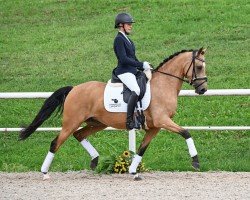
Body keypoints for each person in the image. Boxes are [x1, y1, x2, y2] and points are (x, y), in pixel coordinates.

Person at [113, 12, 151, 130]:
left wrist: (144, 66)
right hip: (123, 71)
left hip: (132, 70)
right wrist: (141, 64)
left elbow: (133, 58)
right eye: (128, 24)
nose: (131, 26)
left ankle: (141, 114)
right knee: (136, 89)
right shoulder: (119, 39)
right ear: (121, 25)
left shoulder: (128, 40)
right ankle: (129, 121)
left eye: (130, 24)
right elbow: (124, 59)